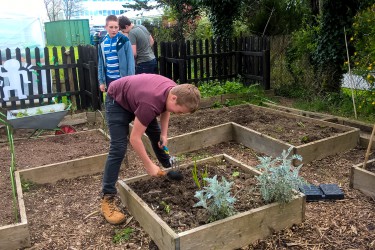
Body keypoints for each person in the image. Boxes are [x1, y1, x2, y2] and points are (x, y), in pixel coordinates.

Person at [101, 73, 201, 225]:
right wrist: (148, 165)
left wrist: (164, 134)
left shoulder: (174, 90)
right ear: (174, 98)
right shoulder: (151, 103)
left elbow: (166, 109)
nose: (178, 114)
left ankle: (169, 169)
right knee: (119, 148)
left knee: (157, 136)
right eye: (180, 112)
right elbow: (135, 138)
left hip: (138, 98)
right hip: (117, 100)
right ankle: (107, 197)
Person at [97, 15, 135, 92]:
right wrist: (101, 82)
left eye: (116, 27)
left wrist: (130, 80)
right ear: (106, 27)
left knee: (123, 103)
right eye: (111, 27)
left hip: (122, 79)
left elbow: (131, 62)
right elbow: (100, 63)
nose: (114, 30)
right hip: (109, 79)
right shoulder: (102, 42)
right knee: (111, 102)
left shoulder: (124, 40)